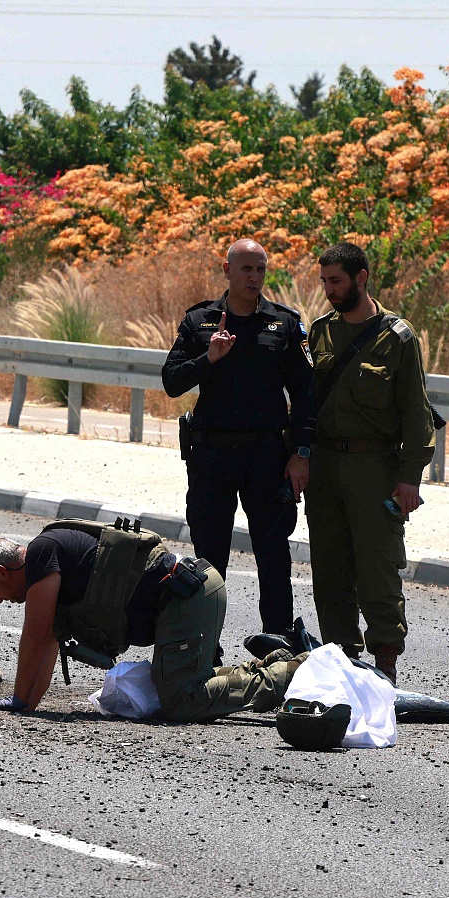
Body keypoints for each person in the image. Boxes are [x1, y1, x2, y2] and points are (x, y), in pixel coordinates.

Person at [0, 524, 304, 720]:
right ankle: (275, 663)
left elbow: (35, 636)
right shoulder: (48, 564)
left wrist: (18, 701)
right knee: (180, 683)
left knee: (181, 699)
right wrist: (27, 705)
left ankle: (291, 674)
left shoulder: (41, 553)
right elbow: (50, 641)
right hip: (186, 597)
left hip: (187, 596)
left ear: (1, 571)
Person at [162, 239, 316, 651]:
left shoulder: (283, 324)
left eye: (260, 269)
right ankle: (203, 649)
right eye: (246, 269)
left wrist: (301, 454)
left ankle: (279, 649)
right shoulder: (201, 321)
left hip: (267, 456)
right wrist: (207, 359)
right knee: (209, 556)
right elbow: (172, 381)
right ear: (227, 270)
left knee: (273, 553)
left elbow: (306, 394)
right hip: (212, 454)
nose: (254, 277)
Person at [302, 242, 434, 684]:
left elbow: (416, 412)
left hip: (374, 468)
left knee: (377, 567)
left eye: (336, 281)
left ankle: (385, 664)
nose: (328, 290)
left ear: (361, 278)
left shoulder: (396, 337)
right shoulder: (319, 332)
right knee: (329, 568)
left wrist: (409, 478)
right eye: (324, 281)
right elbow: (300, 408)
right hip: (324, 468)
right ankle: (341, 662)